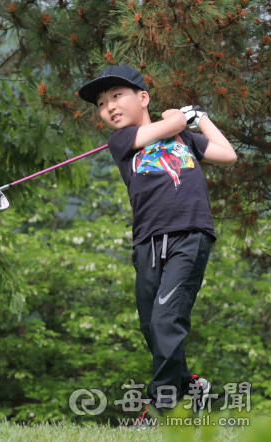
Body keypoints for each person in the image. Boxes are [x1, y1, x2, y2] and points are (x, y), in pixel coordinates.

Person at [78, 65, 237, 420]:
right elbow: (171, 123)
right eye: (102, 104)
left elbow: (228, 154)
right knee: (151, 326)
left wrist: (201, 118)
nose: (110, 108)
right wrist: (176, 116)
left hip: (189, 234)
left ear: (142, 97)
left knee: (167, 321)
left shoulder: (184, 138)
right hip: (147, 242)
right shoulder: (121, 140)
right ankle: (188, 383)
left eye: (117, 96)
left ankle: (158, 410)